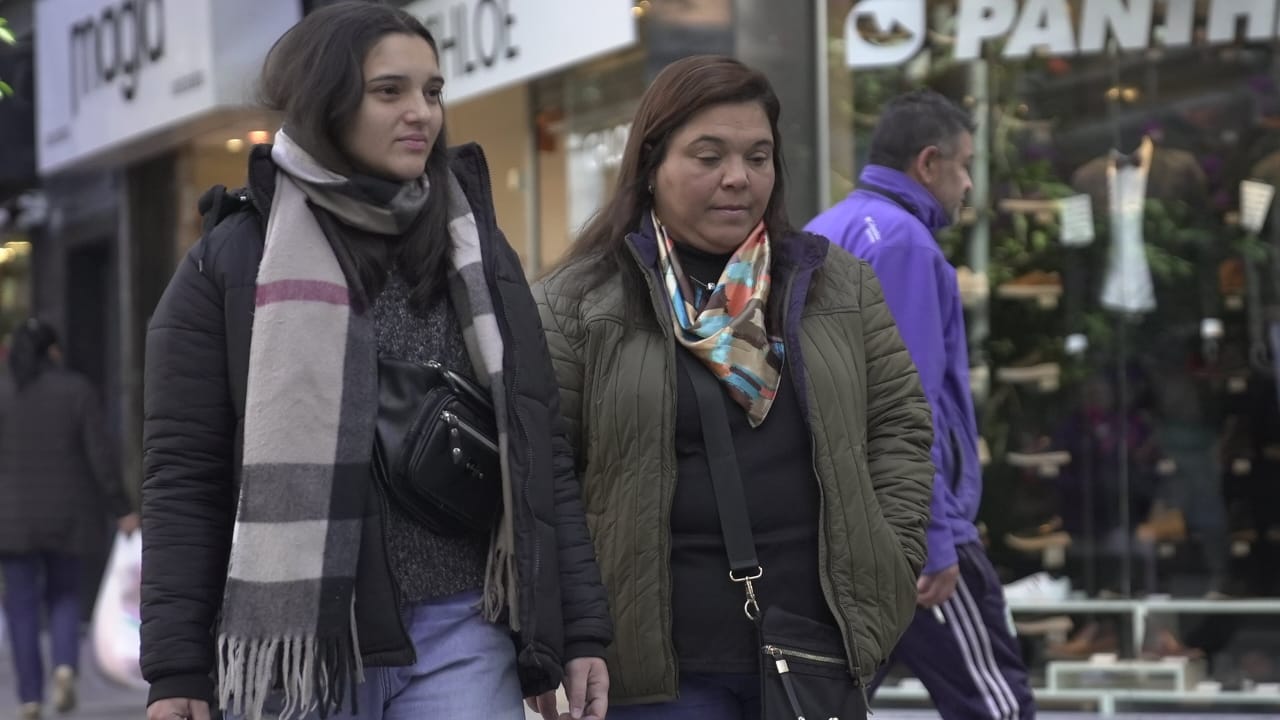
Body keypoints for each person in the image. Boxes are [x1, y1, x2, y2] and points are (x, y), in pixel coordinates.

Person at [139, 4, 610, 720]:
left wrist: (574, 631)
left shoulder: (473, 249)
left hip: (462, 628)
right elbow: (185, 476)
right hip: (298, 654)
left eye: (433, 91)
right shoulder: (231, 262)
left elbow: (539, 448)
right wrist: (175, 670)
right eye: (389, 91)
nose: (420, 112)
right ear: (327, 101)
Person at [530, 55, 934, 720]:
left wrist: (889, 557)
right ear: (652, 165)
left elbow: (899, 425)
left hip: (816, 650)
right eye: (708, 155)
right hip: (659, 671)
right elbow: (546, 475)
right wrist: (573, 629)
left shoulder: (836, 284)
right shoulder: (578, 303)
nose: (737, 178)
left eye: (758, 156)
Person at [806, 89, 1036, 719]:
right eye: (964, 166)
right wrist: (934, 538)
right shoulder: (904, 244)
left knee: (828, 702)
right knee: (996, 703)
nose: (968, 185)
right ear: (928, 163)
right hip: (911, 528)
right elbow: (906, 406)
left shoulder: (825, 229)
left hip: (841, 522)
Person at [0, 318, 140, 720]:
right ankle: (64, 666)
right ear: (52, 351)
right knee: (64, 595)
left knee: (22, 607)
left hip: (11, 522)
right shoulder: (76, 390)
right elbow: (101, 456)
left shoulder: (4, 392)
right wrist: (121, 508)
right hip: (68, 516)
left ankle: (30, 697)